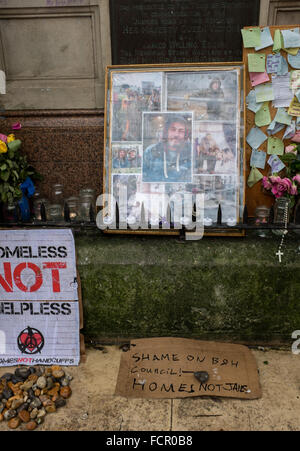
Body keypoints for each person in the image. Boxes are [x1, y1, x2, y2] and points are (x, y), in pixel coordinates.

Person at [143, 115, 191, 183]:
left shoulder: (189, 154)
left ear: (185, 135)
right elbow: (144, 177)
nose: (176, 134)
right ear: (166, 132)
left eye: (181, 131)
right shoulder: (151, 151)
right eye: (173, 129)